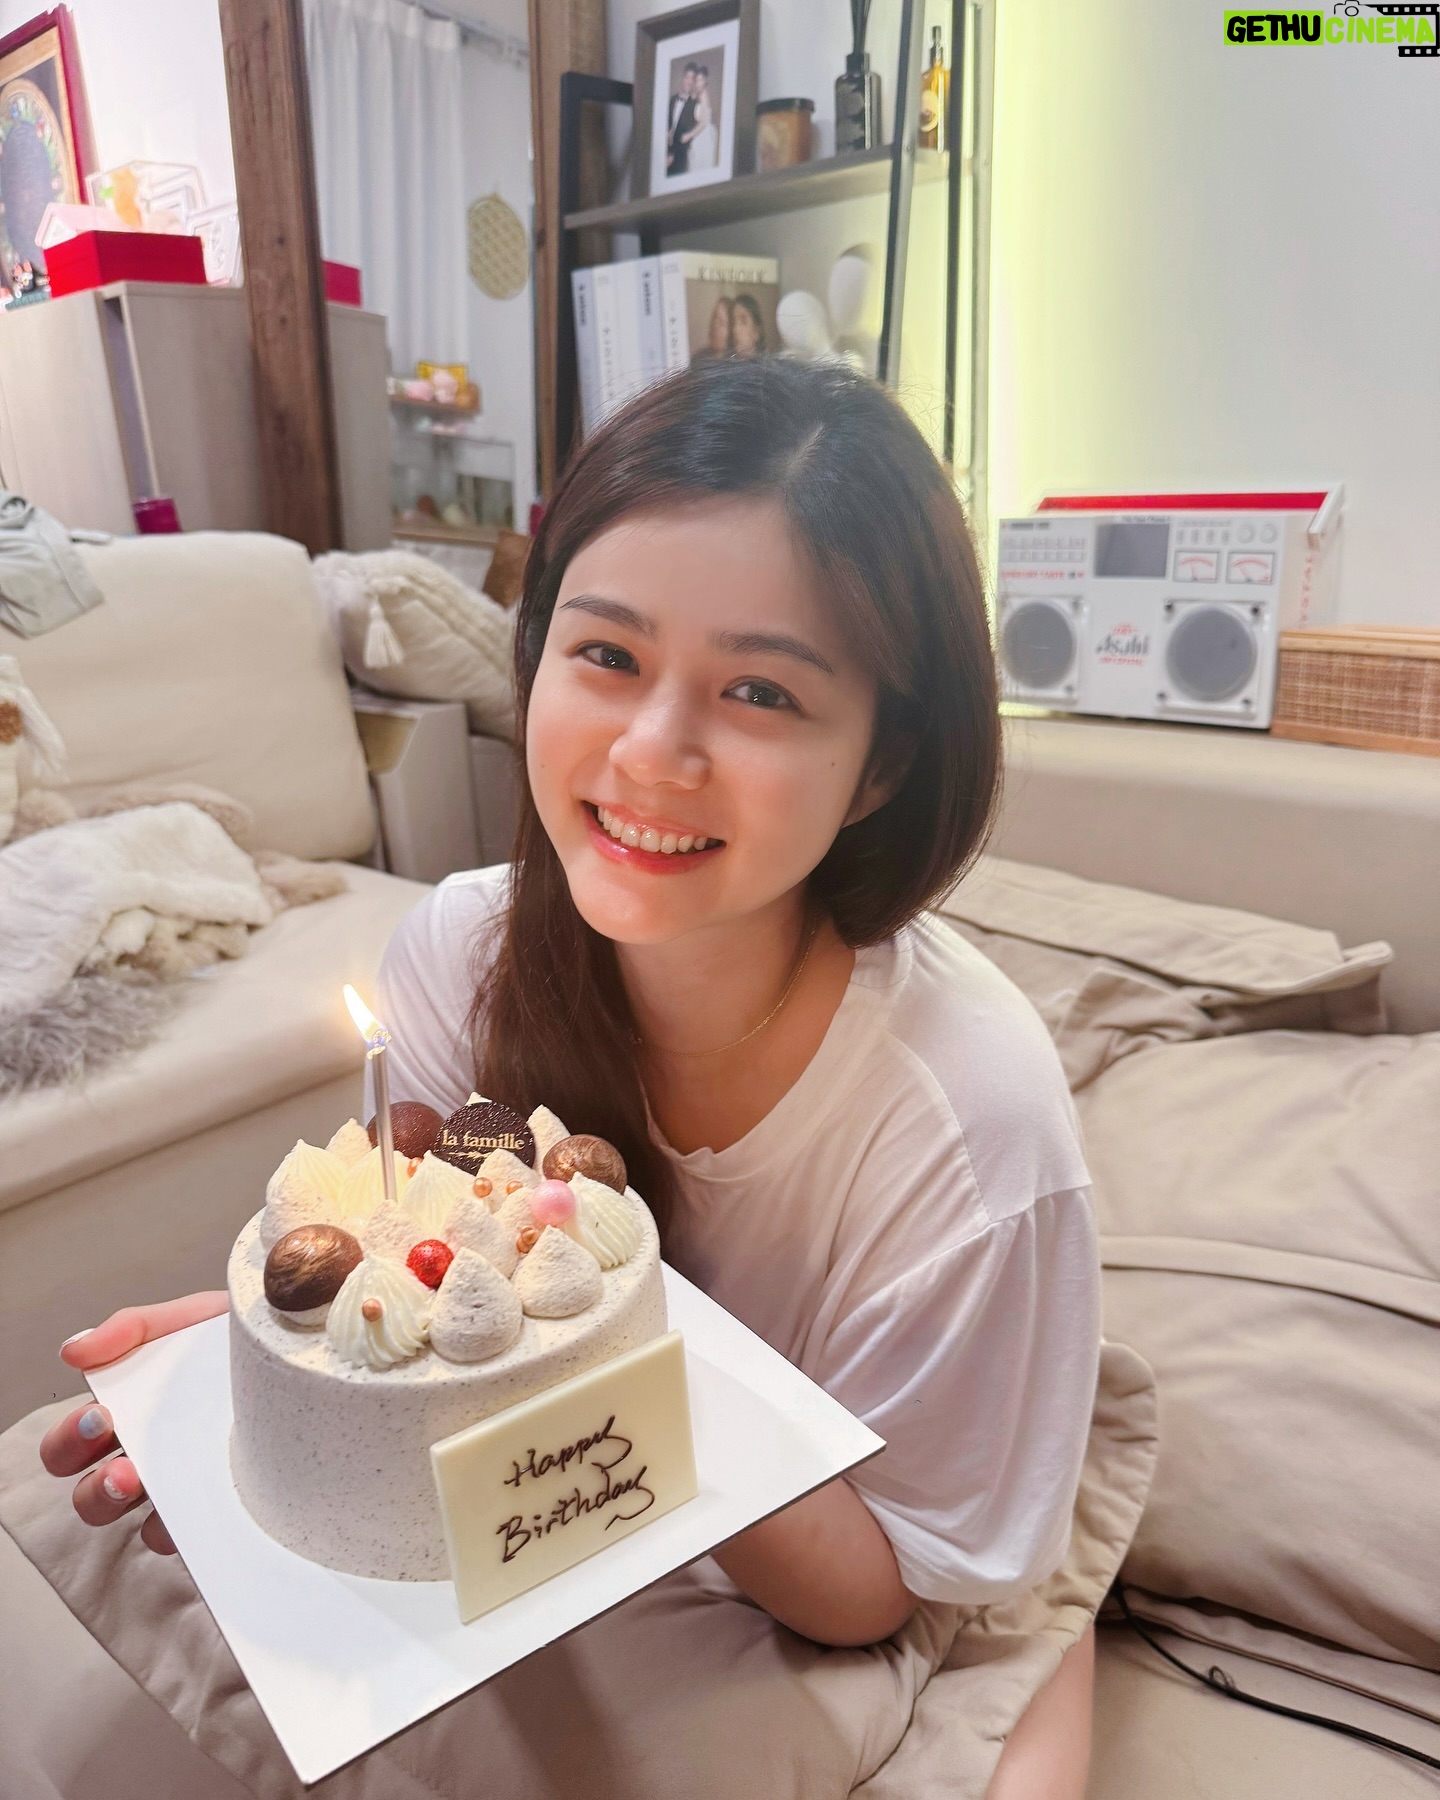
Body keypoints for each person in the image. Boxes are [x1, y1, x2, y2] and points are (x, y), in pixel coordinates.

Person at [39, 356, 1101, 1798]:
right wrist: (304, 1389)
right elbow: (430, 1284)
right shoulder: (462, 952)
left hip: (816, 1559)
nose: (653, 754)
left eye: (761, 690)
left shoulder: (973, 1129)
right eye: (605, 655)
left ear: (879, 767)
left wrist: (603, 1357)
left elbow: (867, 1597)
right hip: (563, 1494)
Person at [684, 65, 719, 170]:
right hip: (699, 136)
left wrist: (689, 135)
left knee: (702, 165)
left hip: (704, 136)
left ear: (705, 81)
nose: (698, 83)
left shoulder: (704, 96)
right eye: (697, 80)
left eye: (701, 80)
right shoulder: (697, 96)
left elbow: (704, 122)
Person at [666, 63, 698, 176]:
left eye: (692, 79)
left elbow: (688, 134)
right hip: (663, 152)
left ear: (694, 82)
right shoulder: (671, 100)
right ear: (683, 78)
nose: (689, 82)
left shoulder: (695, 105)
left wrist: (672, 155)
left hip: (680, 156)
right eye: (687, 77)